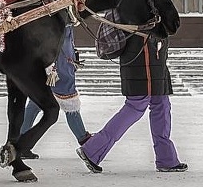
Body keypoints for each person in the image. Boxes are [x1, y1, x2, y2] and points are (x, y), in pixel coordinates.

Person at [77, 29, 187, 174]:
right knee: (136, 105)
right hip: (142, 59)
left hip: (153, 58)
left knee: (161, 104)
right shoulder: (136, 8)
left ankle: (167, 159)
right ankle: (92, 149)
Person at [20, 28, 90, 152]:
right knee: (70, 106)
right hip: (58, 71)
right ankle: (84, 140)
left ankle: (21, 141)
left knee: (34, 104)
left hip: (51, 68)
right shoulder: (59, 23)